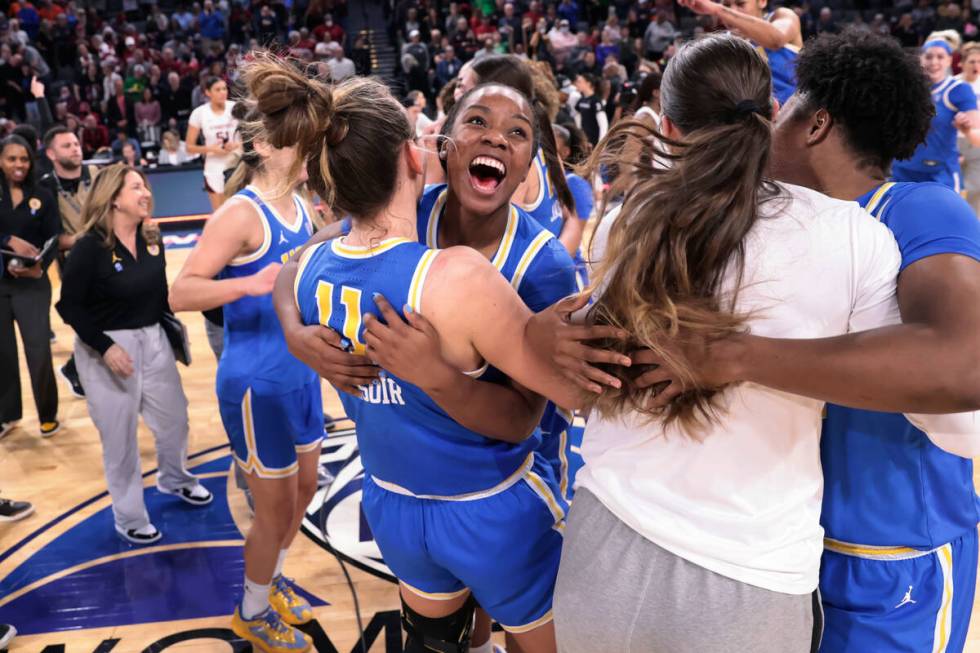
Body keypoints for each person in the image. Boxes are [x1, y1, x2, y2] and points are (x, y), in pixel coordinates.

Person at [607, 29, 980, 653]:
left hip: (891, 554)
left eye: (780, 112)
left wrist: (732, 356)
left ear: (815, 124)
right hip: (778, 550)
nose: (763, 127)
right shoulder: (755, 220)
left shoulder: (918, 210)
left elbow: (966, 361)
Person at [549, 34, 904, 652]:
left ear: (667, 125)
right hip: (749, 568)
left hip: (601, 540)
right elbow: (904, 383)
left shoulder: (622, 224)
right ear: (770, 116)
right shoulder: (855, 237)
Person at [290, 75, 587, 653]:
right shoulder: (408, 211)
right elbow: (305, 258)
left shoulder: (544, 266)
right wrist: (296, 332)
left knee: (506, 608)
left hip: (509, 471)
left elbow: (534, 409)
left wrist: (436, 374)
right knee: (456, 623)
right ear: (437, 147)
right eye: (477, 122)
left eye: (518, 133)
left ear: (530, 168)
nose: (497, 138)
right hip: (425, 489)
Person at [169, 58, 326, 652]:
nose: (309, 150)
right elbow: (180, 291)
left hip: (302, 375)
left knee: (305, 494)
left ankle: (272, 578)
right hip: (257, 381)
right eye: (300, 142)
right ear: (262, 144)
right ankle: (251, 611)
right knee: (272, 508)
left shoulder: (304, 205)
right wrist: (250, 284)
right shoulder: (240, 213)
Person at [55, 164, 212, 545]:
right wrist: (106, 347)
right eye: (137, 188)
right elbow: (69, 307)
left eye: (145, 187)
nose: (146, 193)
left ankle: (175, 478)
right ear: (113, 199)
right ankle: (128, 516)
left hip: (154, 341)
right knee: (120, 441)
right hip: (105, 350)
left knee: (175, 420)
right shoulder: (89, 247)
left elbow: (159, 296)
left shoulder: (151, 237)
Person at [0, 134, 60, 439]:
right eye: (11, 158)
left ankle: (48, 414)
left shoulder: (42, 194)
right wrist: (7, 240)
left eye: (23, 159)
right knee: (3, 352)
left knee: (38, 350)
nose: (18, 164)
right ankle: (7, 415)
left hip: (32, 285)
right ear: (0, 161)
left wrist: (39, 266)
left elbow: (55, 236)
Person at [39, 125, 100, 399]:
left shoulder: (97, 174)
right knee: (95, 315)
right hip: (74, 262)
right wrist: (83, 239)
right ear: (51, 153)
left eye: (76, 143)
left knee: (106, 315)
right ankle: (76, 368)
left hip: (105, 252)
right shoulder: (45, 187)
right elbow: (52, 237)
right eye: (67, 145)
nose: (75, 148)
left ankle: (76, 367)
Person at [892, 33, 980, 191]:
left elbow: (977, 136)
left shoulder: (958, 89)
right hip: (902, 169)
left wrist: (966, 130)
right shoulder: (906, 87)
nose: (934, 62)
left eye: (940, 57)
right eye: (929, 56)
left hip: (939, 173)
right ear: (920, 59)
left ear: (949, 60)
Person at [679, 0, 802, 105]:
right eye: (727, 5)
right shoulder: (722, 46)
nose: (733, 11)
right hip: (760, 125)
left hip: (800, 118)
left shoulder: (782, 16)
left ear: (762, 1)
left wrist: (718, 10)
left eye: (740, 3)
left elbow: (776, 39)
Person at [185, 77, 239, 211]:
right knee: (220, 212)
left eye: (224, 89)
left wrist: (236, 144)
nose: (222, 92)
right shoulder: (199, 113)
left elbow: (250, 135)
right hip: (214, 165)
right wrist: (212, 149)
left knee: (239, 208)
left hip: (237, 162)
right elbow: (189, 148)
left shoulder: (235, 108)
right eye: (218, 89)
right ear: (207, 92)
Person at [958, 41, 980, 212]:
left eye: (979, 61)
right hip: (953, 142)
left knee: (976, 189)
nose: (976, 65)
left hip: (977, 143)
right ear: (962, 63)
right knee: (954, 189)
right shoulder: (953, 84)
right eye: (972, 61)